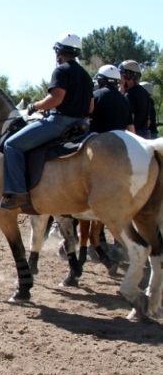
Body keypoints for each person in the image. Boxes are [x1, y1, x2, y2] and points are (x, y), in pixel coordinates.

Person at [0, 33, 93, 211]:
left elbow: (56, 98)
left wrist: (36, 106)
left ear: (59, 52)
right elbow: (90, 107)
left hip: (59, 123)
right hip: (81, 124)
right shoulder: (86, 76)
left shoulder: (61, 70)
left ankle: (18, 192)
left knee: (11, 145)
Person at [77, 65, 132, 275]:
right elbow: (132, 131)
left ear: (100, 80)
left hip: (97, 152)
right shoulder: (124, 100)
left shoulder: (95, 96)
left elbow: (85, 121)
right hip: (122, 153)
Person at [119, 60, 152, 139]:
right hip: (146, 134)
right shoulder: (145, 92)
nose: (119, 79)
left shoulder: (129, 95)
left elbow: (129, 119)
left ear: (128, 76)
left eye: (121, 75)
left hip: (135, 135)